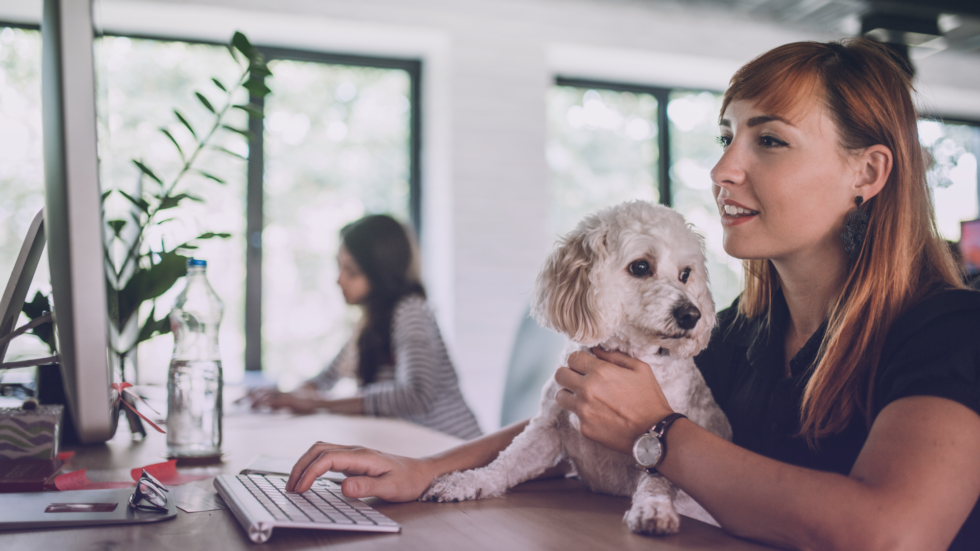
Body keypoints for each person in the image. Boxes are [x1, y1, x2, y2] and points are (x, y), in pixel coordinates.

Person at [284, 40, 980, 550]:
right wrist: (428, 468)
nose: (722, 168)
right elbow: (589, 410)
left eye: (769, 140)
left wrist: (658, 433)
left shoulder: (949, 330)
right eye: (725, 135)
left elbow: (893, 532)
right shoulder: (744, 327)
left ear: (868, 171)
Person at [249, 214, 483, 441]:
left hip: (454, 447)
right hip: (419, 446)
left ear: (380, 273)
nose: (339, 280)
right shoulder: (369, 322)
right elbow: (326, 379)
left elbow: (415, 395)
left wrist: (319, 403)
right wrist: (286, 398)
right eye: (339, 267)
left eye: (351, 271)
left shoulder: (411, 311)